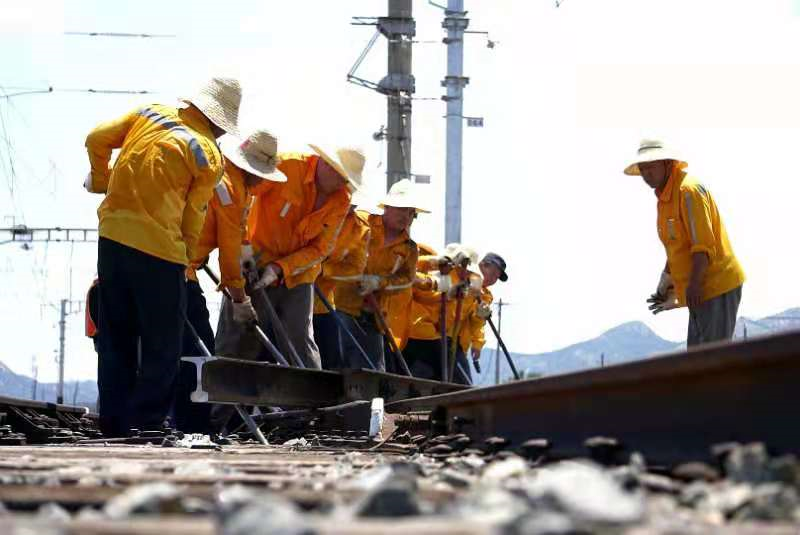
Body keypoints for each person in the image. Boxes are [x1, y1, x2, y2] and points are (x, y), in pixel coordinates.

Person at [84, 77, 241, 436]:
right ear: (219, 123)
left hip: (111, 237)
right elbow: (193, 215)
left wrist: (102, 179)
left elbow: (95, 139)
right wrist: (184, 259)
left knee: (116, 336)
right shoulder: (207, 153)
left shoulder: (149, 113)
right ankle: (148, 424)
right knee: (162, 343)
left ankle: (114, 422)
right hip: (160, 249)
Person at [174, 130, 286, 434]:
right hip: (177, 268)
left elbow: (235, 236)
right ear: (250, 169)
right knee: (198, 349)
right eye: (261, 175)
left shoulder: (235, 182)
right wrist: (240, 300)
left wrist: (246, 251)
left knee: (189, 346)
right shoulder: (230, 188)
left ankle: (188, 423)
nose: (263, 182)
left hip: (183, 265)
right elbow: (227, 255)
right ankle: (190, 425)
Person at [216, 145, 364, 369]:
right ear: (325, 163)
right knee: (239, 336)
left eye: (346, 180)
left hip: (298, 273)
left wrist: (278, 268)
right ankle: (224, 397)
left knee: (299, 341)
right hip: (252, 263)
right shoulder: (287, 166)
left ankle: (310, 400)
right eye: (341, 176)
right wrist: (242, 245)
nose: (342, 184)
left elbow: (320, 249)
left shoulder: (341, 200)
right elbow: (243, 192)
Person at [624, 139, 745, 346]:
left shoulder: (688, 192)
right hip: (699, 289)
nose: (646, 174)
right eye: (642, 169)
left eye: (650, 166)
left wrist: (694, 284)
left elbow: (703, 246)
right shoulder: (665, 200)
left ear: (667, 163)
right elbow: (676, 248)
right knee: (699, 363)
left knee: (713, 362)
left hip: (716, 285)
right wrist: (667, 283)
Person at [334, 179, 426, 371]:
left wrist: (379, 283)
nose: (406, 216)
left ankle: (372, 400)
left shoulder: (409, 248)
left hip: (373, 314)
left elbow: (406, 280)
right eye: (402, 209)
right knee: (339, 363)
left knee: (374, 371)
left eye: (411, 213)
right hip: (341, 304)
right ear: (388, 207)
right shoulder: (361, 222)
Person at [312, 200, 371, 370]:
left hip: (323, 303)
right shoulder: (317, 211)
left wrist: (325, 270)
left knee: (331, 359)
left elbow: (355, 269)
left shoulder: (359, 230)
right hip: (293, 292)